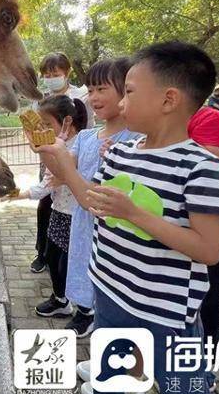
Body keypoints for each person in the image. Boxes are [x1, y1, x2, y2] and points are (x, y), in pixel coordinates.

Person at [33, 41, 219, 394]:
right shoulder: (122, 152)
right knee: (108, 388)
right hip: (110, 295)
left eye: (128, 92)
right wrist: (61, 161)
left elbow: (208, 249)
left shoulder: (203, 168)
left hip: (167, 313)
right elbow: (95, 202)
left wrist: (137, 214)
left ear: (168, 100)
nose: (120, 103)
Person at [64, 57, 141, 338]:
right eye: (90, 90)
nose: (93, 97)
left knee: (109, 280)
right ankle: (85, 313)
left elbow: (103, 196)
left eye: (101, 89)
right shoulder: (86, 136)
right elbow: (64, 169)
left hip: (113, 227)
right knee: (82, 262)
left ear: (126, 91)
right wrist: (49, 148)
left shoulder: (136, 139)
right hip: (84, 222)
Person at [12, 95, 89, 317]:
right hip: (58, 212)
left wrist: (47, 154)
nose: (43, 129)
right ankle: (60, 300)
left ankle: (86, 310)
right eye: (40, 124)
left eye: (47, 124)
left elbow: (68, 173)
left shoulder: (82, 143)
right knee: (52, 258)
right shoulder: (56, 145)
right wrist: (18, 195)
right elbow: (48, 182)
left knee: (72, 264)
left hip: (77, 215)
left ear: (66, 122)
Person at [29, 52, 92, 274]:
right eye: (46, 74)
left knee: (66, 200)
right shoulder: (39, 99)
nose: (50, 78)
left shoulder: (82, 96)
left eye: (54, 74)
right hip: (48, 156)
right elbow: (37, 129)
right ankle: (43, 252)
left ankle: (70, 253)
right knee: (46, 201)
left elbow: (88, 127)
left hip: (74, 154)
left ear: (67, 73)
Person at [188, 104, 219, 393]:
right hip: (170, 222)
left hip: (203, 215)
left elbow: (204, 166)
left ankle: (203, 368)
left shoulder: (210, 118)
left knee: (208, 290)